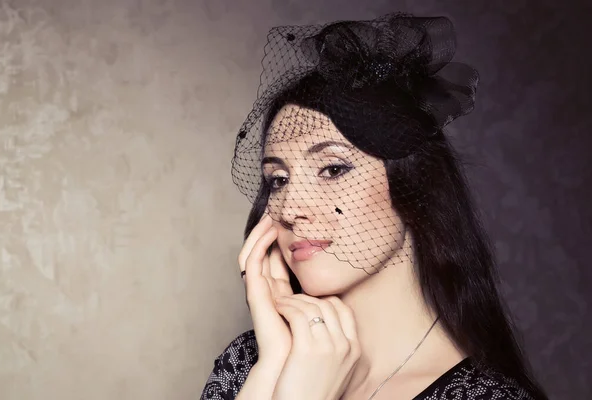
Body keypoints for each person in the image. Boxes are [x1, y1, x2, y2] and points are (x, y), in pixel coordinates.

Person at [201, 13, 549, 400]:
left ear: (412, 184)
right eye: (278, 180)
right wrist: (277, 367)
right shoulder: (246, 366)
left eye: (333, 169)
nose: (290, 208)